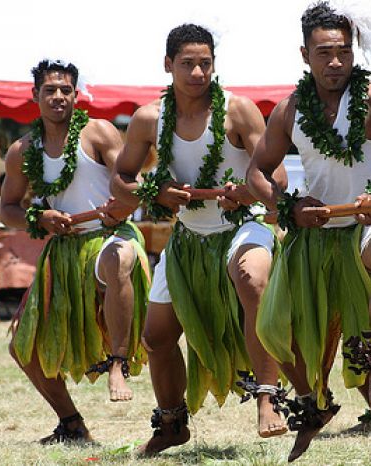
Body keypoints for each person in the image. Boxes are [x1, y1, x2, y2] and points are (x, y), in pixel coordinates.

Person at [247, 2, 371, 461]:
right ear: (304, 54)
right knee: (271, 328)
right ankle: (313, 403)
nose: (335, 62)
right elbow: (257, 173)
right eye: (324, 53)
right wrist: (288, 206)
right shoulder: (289, 110)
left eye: (344, 52)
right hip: (318, 231)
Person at [110, 24, 288, 455]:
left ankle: (268, 398)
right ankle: (171, 424)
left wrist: (249, 190)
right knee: (156, 336)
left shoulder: (238, 112)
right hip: (187, 235)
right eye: (187, 63)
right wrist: (155, 193)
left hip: (242, 226)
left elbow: (277, 174)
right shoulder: (149, 119)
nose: (197, 72)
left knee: (252, 281)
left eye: (205, 63)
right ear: (168, 64)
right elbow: (121, 180)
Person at [0, 59, 150, 443]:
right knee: (24, 349)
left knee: (118, 259)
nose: (58, 97)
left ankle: (118, 362)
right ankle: (71, 423)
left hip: (110, 237)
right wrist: (41, 217)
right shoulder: (22, 150)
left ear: (76, 95)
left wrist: (124, 203)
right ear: (35, 96)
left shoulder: (97, 132)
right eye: (50, 90)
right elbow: (8, 210)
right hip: (64, 250)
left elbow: (130, 181)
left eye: (66, 90)